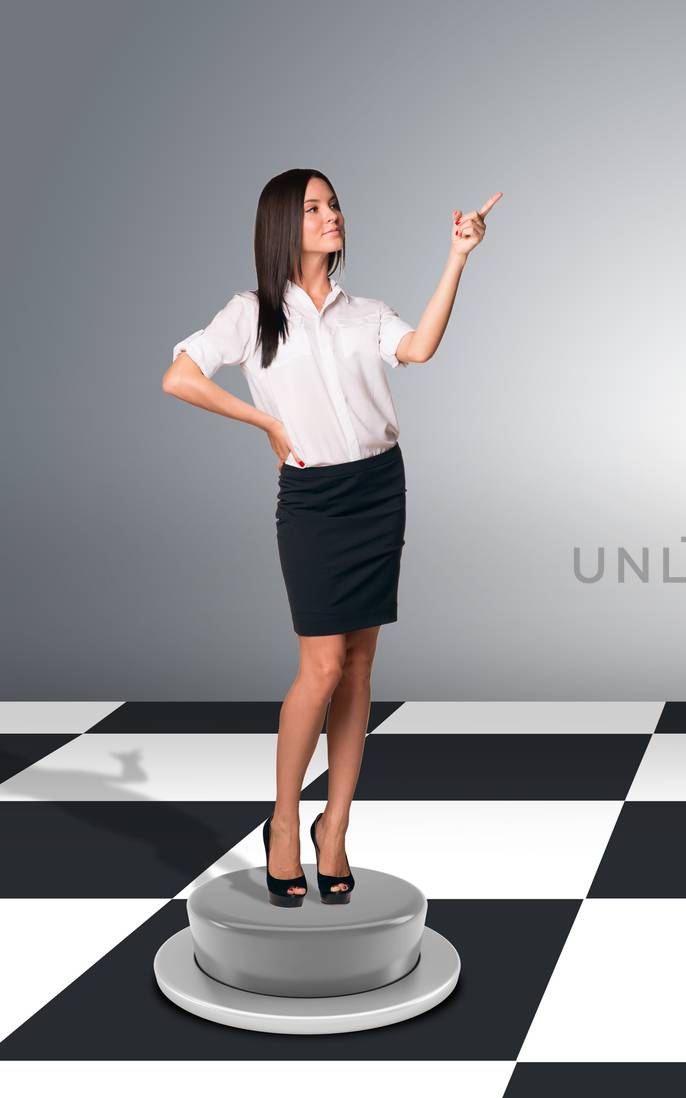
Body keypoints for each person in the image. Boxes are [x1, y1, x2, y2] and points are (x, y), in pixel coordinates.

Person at [162, 168, 502, 900]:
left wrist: (458, 258)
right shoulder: (252, 314)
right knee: (319, 670)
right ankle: (285, 822)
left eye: (334, 203)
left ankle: (336, 828)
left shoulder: (364, 311)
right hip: (314, 499)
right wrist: (266, 422)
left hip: (380, 489)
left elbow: (419, 351)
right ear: (283, 224)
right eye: (314, 208)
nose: (331, 215)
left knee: (359, 673)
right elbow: (180, 378)